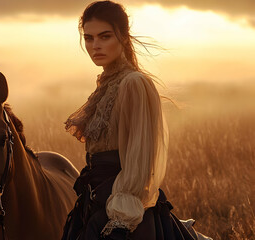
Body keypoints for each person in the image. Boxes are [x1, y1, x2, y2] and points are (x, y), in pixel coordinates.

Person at [61, 1, 211, 240]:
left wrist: (121, 216)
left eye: (104, 36)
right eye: (88, 38)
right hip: (97, 198)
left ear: (123, 36)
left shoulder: (133, 83)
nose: (95, 46)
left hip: (123, 204)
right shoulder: (106, 84)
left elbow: (140, 160)